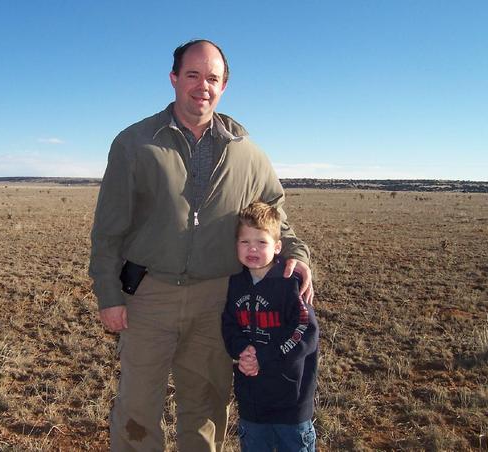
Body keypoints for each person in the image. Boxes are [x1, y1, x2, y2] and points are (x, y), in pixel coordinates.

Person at [89, 39, 314, 452]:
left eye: (212, 78)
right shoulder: (135, 143)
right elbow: (108, 230)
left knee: (207, 407)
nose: (202, 86)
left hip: (218, 299)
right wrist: (108, 293)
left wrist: (296, 255)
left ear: (224, 85)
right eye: (192, 75)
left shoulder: (248, 154)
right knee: (137, 409)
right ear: (174, 79)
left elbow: (276, 215)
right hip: (148, 296)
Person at [222, 201, 319, 452]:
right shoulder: (235, 284)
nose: (252, 248)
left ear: (278, 247)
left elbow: (304, 332)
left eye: (261, 242)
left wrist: (263, 357)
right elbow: (229, 323)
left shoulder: (290, 283)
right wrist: (242, 350)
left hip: (291, 401)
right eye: (245, 242)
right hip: (252, 401)